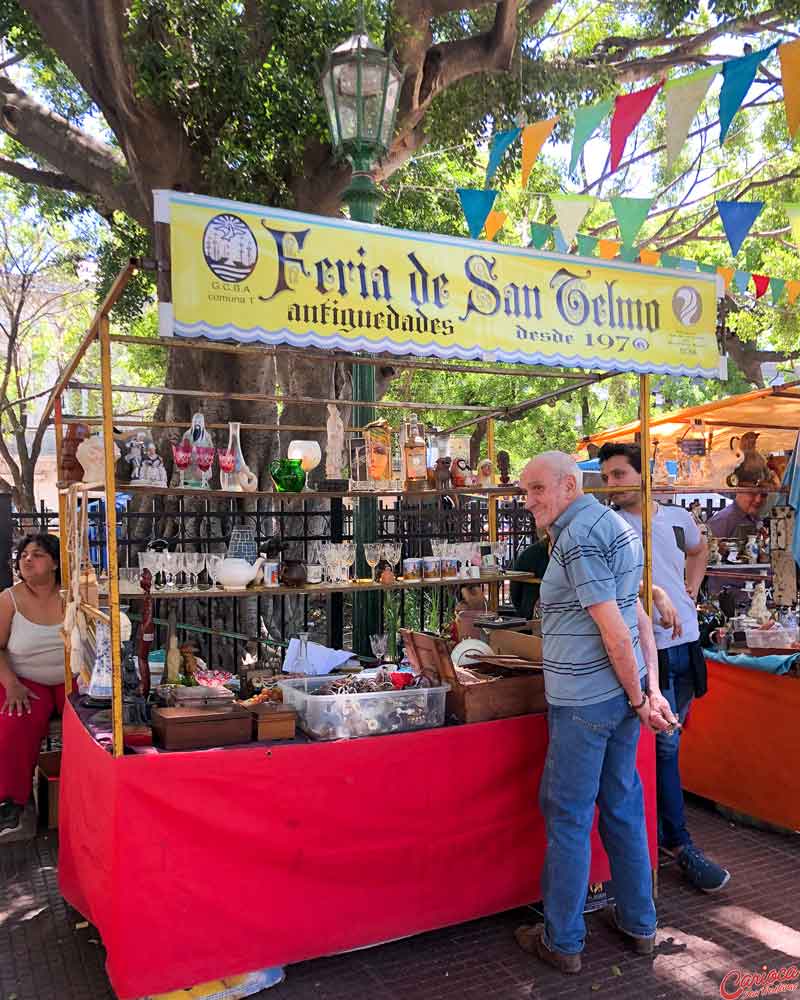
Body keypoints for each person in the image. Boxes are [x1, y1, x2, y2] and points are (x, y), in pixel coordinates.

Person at [514, 452, 677, 975]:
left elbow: (615, 629)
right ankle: (640, 925)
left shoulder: (580, 537)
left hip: (585, 703)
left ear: (567, 485)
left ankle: (563, 942)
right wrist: (648, 690)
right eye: (524, 491)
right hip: (617, 700)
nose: (528, 501)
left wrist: (640, 695)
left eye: (536, 489)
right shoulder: (614, 527)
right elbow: (638, 619)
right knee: (624, 808)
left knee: (568, 818)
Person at [598, 442, 730, 893]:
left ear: (642, 474)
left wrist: (691, 590)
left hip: (684, 642)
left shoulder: (676, 518)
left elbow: (700, 548)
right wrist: (652, 590)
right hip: (643, 646)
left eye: (618, 475)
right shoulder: (607, 525)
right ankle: (678, 844)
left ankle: (665, 839)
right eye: (607, 477)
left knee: (669, 744)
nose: (611, 485)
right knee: (664, 746)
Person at [0, 533, 65, 841]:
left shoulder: (74, 594)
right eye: (24, 554)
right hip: (24, 680)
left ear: (54, 563)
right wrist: (10, 683)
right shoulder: (8, 599)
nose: (27, 559)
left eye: (37, 554)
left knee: (96, 720)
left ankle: (85, 794)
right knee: (15, 721)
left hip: (70, 679)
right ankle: (12, 801)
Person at [706, 463, 770, 542]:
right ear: (738, 490)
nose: (758, 500)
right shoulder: (722, 521)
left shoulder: (755, 519)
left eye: (764, 495)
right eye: (752, 493)